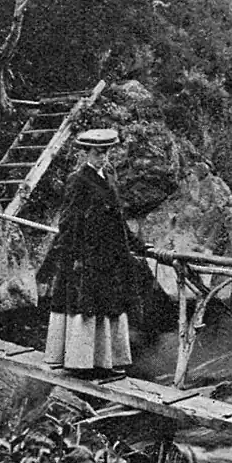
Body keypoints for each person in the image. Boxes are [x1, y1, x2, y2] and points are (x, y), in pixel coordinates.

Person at [37, 128, 146, 375]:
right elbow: (68, 222)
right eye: (98, 153)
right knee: (85, 307)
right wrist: (73, 256)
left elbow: (117, 219)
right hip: (87, 255)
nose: (103, 157)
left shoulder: (108, 176)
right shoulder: (78, 180)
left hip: (110, 255)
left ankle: (106, 361)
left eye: (106, 153)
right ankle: (80, 362)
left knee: (108, 306)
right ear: (85, 153)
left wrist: (138, 245)